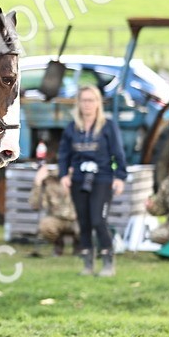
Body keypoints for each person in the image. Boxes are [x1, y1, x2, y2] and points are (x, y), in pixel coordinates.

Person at [58, 85, 127, 277]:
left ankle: (108, 261)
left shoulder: (108, 126)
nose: (87, 104)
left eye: (91, 100)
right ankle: (88, 264)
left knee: (98, 219)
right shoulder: (72, 128)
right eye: (84, 100)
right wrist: (64, 175)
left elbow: (118, 153)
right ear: (78, 103)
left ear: (98, 103)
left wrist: (120, 177)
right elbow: (64, 154)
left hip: (102, 178)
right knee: (84, 222)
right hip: (79, 179)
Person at [29, 160, 78, 256]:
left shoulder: (79, 177)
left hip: (78, 218)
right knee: (46, 226)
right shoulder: (50, 181)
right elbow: (35, 205)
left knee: (88, 225)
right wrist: (38, 182)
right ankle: (58, 243)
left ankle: (80, 244)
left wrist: (73, 176)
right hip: (57, 218)